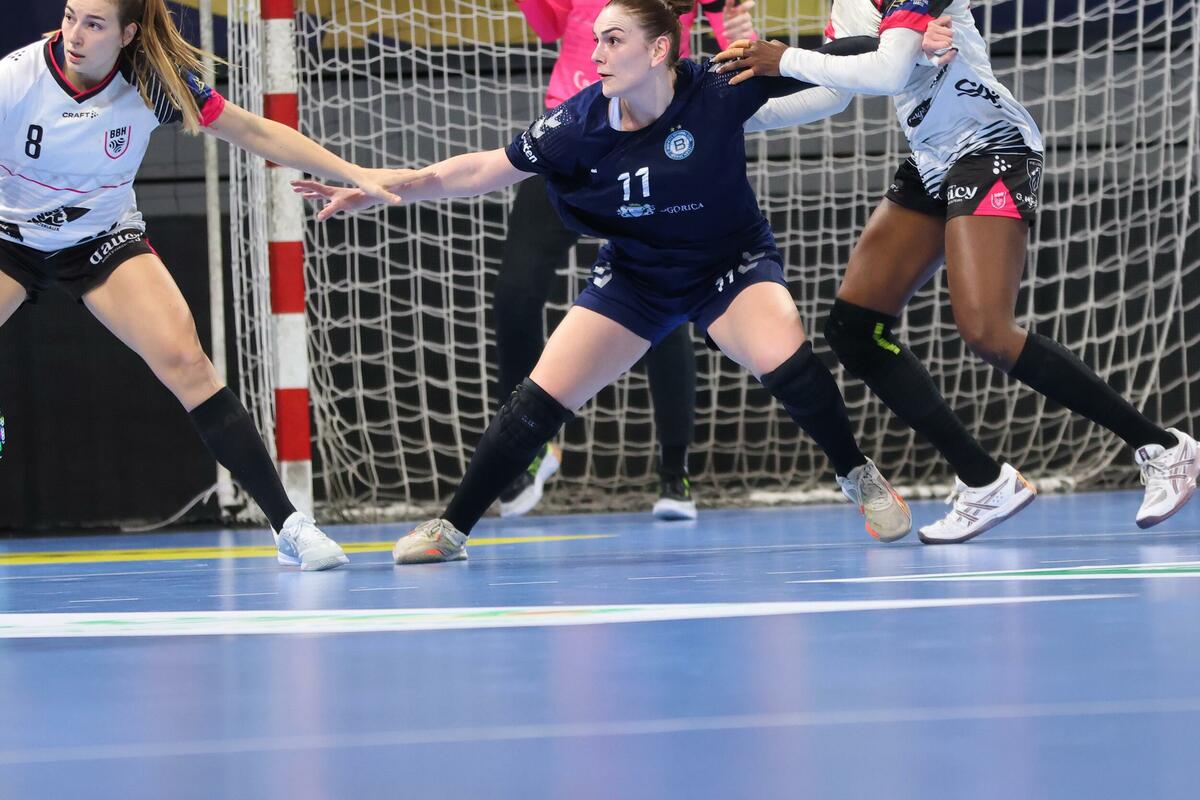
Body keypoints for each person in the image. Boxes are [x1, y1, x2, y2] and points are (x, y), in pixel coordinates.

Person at [297, 0, 916, 564]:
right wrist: (379, 189)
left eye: (612, 40)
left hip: (727, 267)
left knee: (787, 359)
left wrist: (909, 37)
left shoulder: (719, 85)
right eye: (595, 40)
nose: (595, 55)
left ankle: (856, 473)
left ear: (658, 50)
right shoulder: (577, 123)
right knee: (537, 401)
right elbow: (480, 170)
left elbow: (841, 60)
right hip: (636, 277)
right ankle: (453, 526)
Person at [715, 0, 1200, 543]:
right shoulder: (849, 3)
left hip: (991, 146)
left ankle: (1163, 447)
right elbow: (833, 91)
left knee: (988, 331)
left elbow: (887, 72)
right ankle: (984, 480)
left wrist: (785, 59)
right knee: (854, 330)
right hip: (931, 158)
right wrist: (731, 116)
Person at [0, 0, 397, 569]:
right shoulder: (16, 80)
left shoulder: (153, 84)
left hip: (99, 237)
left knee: (186, 361)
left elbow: (253, 131)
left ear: (127, 34)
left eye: (93, 24)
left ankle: (290, 525)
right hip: (10, 236)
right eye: (69, 17)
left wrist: (353, 172)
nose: (74, 35)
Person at [497, 0, 755, 520]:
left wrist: (738, 29)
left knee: (662, 306)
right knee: (514, 296)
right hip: (570, 139)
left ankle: (675, 473)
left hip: (648, 148)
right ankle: (529, 448)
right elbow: (547, 27)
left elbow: (733, 47)